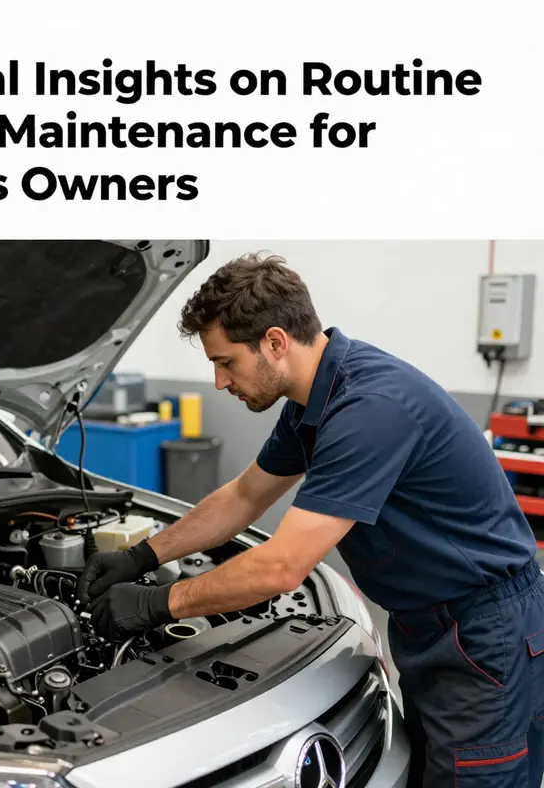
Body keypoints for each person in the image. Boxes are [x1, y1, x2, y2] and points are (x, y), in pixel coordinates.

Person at [76, 252, 544, 787]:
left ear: (275, 342)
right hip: (429, 625)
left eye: (226, 362)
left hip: (485, 633)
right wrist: (142, 556)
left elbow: (281, 567)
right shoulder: (311, 403)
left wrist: (157, 604)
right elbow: (243, 496)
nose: (220, 381)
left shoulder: (369, 408)